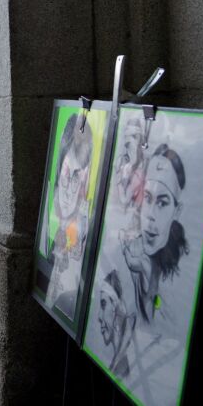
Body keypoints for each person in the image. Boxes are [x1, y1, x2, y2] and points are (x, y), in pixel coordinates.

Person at [120, 144, 189, 324]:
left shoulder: (178, 285)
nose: (150, 215)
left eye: (162, 203)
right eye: (148, 198)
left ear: (177, 211)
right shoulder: (131, 252)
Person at [43, 114, 94, 317]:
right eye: (66, 174)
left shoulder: (81, 236)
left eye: (76, 177)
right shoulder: (55, 232)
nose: (69, 189)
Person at [96, 269, 135, 378]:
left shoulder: (123, 368)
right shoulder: (117, 365)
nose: (99, 316)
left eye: (103, 305)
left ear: (116, 307)